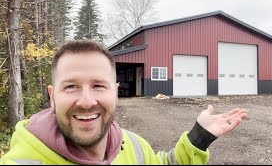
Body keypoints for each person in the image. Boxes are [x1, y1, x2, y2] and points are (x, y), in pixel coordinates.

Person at [0, 40, 248, 165]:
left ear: (116, 92)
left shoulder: (134, 146)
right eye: (72, 86)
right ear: (52, 96)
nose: (87, 101)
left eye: (99, 85)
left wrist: (198, 137)